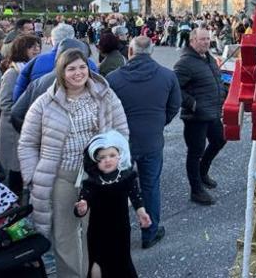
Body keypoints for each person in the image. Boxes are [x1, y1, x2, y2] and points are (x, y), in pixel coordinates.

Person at [19, 48, 129, 278]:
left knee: (97, 232)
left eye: (82, 67)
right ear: (61, 72)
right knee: (64, 235)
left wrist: (115, 162)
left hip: (96, 177)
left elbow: (121, 132)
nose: (78, 73)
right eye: (72, 69)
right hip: (63, 176)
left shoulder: (105, 96)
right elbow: (27, 143)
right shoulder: (44, 103)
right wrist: (32, 175)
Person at [106, 35, 182, 249]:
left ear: (130, 52)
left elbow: (107, 112)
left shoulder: (113, 78)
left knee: (119, 189)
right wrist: (157, 124)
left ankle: (120, 236)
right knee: (150, 186)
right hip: (151, 140)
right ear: (151, 51)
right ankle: (150, 232)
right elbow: (174, 106)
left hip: (121, 143)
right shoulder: (167, 76)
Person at [73, 131, 150, 278]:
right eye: (102, 158)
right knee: (97, 264)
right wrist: (81, 208)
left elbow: (136, 196)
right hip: (98, 231)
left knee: (122, 261)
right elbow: (83, 202)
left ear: (120, 155)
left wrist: (141, 213)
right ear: (94, 160)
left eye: (112, 155)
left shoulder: (127, 177)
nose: (107, 160)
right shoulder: (92, 182)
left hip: (120, 228)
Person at [173, 26, 228, 206]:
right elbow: (176, 89)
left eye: (207, 39)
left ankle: (203, 172)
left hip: (212, 112)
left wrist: (223, 94)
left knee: (219, 140)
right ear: (192, 41)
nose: (206, 42)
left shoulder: (208, 58)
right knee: (195, 153)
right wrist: (193, 104)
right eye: (202, 39)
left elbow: (215, 79)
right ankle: (196, 190)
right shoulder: (184, 63)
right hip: (195, 117)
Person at [0, 34, 40, 194]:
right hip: (13, 128)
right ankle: (13, 209)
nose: (36, 49)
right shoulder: (13, 73)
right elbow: (5, 103)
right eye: (31, 46)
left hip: (26, 127)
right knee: (15, 170)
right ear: (21, 50)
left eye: (38, 45)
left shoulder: (32, 69)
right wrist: (24, 117)